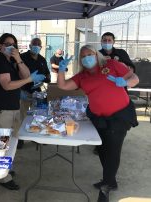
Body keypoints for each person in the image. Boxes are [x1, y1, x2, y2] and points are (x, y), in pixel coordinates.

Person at [57, 45, 139, 202]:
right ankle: (110, 180)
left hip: (119, 116)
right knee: (102, 149)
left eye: (90, 54)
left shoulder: (112, 65)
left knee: (113, 151)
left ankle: (106, 187)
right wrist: (61, 70)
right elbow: (63, 85)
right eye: (83, 56)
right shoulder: (82, 76)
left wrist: (126, 82)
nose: (87, 58)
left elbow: (134, 78)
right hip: (98, 117)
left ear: (96, 55)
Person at [0, 33, 45, 190]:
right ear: (0, 46)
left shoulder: (11, 60)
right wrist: (28, 80)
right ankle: (2, 177)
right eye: (7, 44)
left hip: (12, 107)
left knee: (11, 142)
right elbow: (7, 85)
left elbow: (25, 74)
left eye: (13, 44)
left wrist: (18, 60)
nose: (10, 46)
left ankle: (6, 169)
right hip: (0, 109)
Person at [19, 37, 50, 148]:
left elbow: (47, 75)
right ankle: (20, 139)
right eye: (34, 44)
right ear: (30, 46)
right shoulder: (22, 57)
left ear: (41, 47)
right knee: (21, 116)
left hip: (37, 92)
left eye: (38, 44)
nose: (36, 46)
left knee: (37, 116)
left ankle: (36, 137)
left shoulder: (42, 59)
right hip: (23, 91)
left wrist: (44, 78)